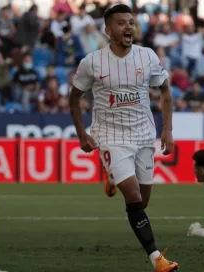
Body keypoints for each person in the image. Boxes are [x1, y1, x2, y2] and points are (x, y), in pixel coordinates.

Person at [69, 4, 178, 272]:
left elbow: (165, 90)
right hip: (109, 135)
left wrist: (168, 130)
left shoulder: (147, 56)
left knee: (142, 201)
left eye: (131, 22)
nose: (128, 27)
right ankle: (156, 258)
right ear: (108, 30)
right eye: (121, 23)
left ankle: (112, 178)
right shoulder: (92, 62)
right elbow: (74, 98)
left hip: (143, 134)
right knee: (132, 194)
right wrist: (81, 132)